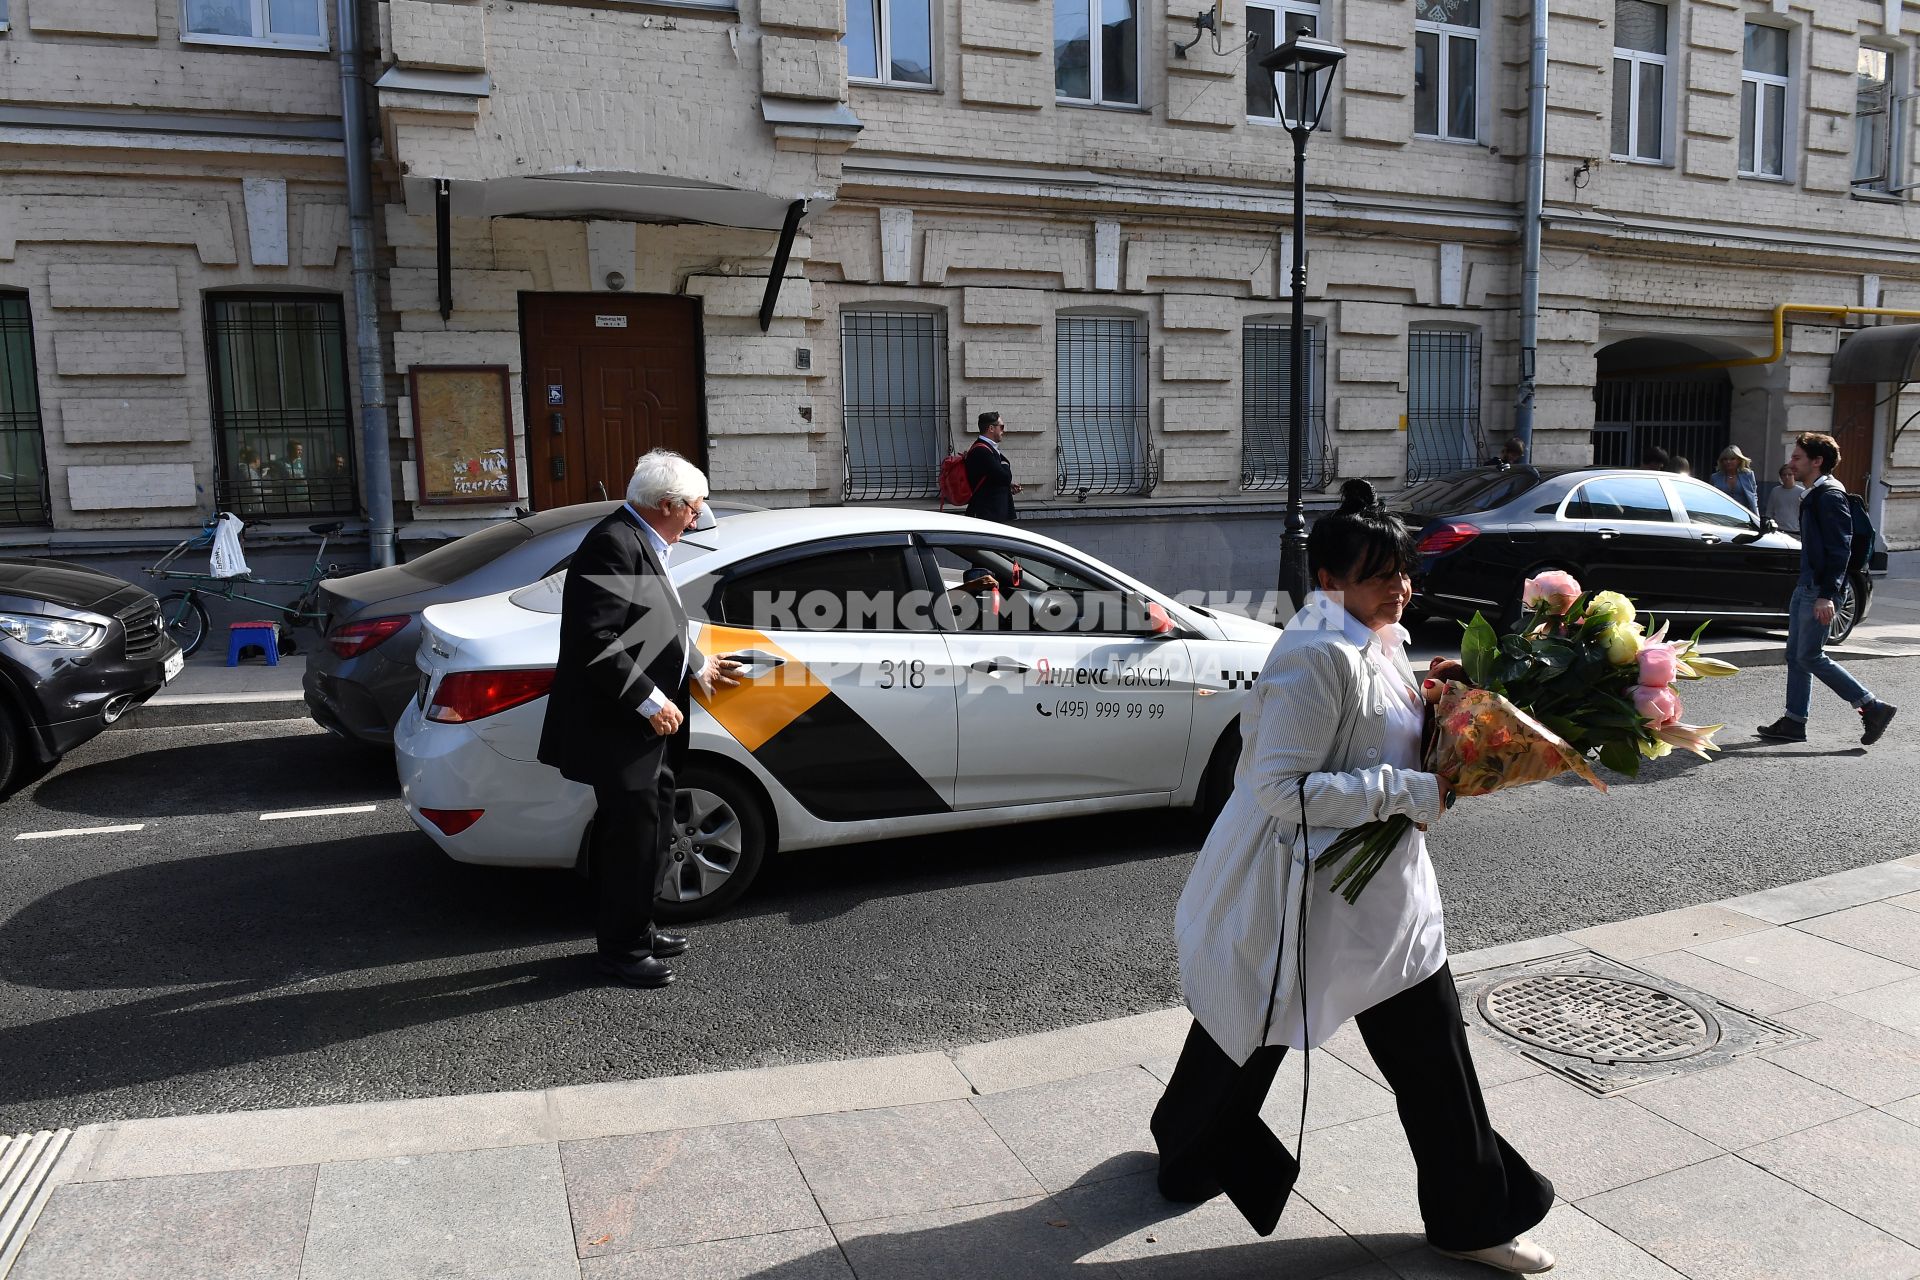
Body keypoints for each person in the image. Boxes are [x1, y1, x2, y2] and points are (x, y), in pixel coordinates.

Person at [1153, 480, 1555, 1275]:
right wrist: (1409, 791)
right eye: (1380, 576)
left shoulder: (1373, 638)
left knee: (1368, 1044)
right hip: (1310, 892)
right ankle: (1470, 1214)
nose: (1401, 588)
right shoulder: (1316, 655)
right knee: (1267, 1027)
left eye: (1403, 571)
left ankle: (1189, 1148)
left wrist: (1446, 720)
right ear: (1331, 581)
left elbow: (1374, 738)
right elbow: (1280, 788)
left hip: (1373, 892)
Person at [537, 450, 741, 987]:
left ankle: (638, 927)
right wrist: (652, 701)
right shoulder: (613, 545)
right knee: (629, 838)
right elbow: (596, 642)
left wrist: (697, 663)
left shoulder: (642, 539)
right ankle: (621, 951)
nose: (699, 516)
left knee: (648, 832)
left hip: (641, 728)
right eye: (695, 506)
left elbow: (660, 621)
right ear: (669, 504)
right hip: (622, 726)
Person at [1757, 433, 1896, 746]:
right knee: (1796, 655)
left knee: (1810, 656)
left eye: (1797, 458)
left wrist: (1827, 595)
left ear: (1816, 461)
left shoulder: (1829, 496)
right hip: (1806, 585)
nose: (1791, 463)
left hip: (1817, 589)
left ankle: (1872, 706)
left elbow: (1840, 550)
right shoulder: (1814, 494)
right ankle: (1794, 721)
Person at [963, 411, 1021, 523]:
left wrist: (1007, 486)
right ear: (991, 428)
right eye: (1001, 427)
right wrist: (1005, 464)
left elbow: (993, 478)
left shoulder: (987, 448)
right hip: (987, 516)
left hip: (991, 514)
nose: (1003, 431)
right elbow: (1005, 477)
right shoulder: (982, 450)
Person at [1709, 446, 1758, 514]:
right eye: (1725, 459)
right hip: (1721, 514)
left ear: (1739, 460)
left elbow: (1753, 497)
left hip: (1743, 514)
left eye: (1732, 459)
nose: (1728, 462)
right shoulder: (1715, 477)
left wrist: (1756, 516)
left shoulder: (1748, 475)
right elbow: (1711, 498)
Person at [1764, 464, 1804, 533]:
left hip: (1796, 530)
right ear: (1781, 477)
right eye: (1784, 475)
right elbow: (1769, 511)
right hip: (1778, 529)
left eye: (1790, 474)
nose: (1787, 477)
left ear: (1794, 475)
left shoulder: (1802, 492)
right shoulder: (1775, 491)